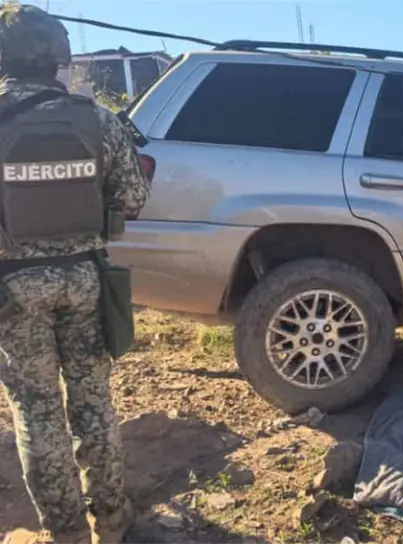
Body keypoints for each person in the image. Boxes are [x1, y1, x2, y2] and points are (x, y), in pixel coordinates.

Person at [0, 4, 151, 544]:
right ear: (59, 56)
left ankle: (65, 533)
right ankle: (111, 521)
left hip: (11, 288)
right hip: (85, 280)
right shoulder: (97, 120)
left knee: (36, 412)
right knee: (93, 400)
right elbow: (132, 199)